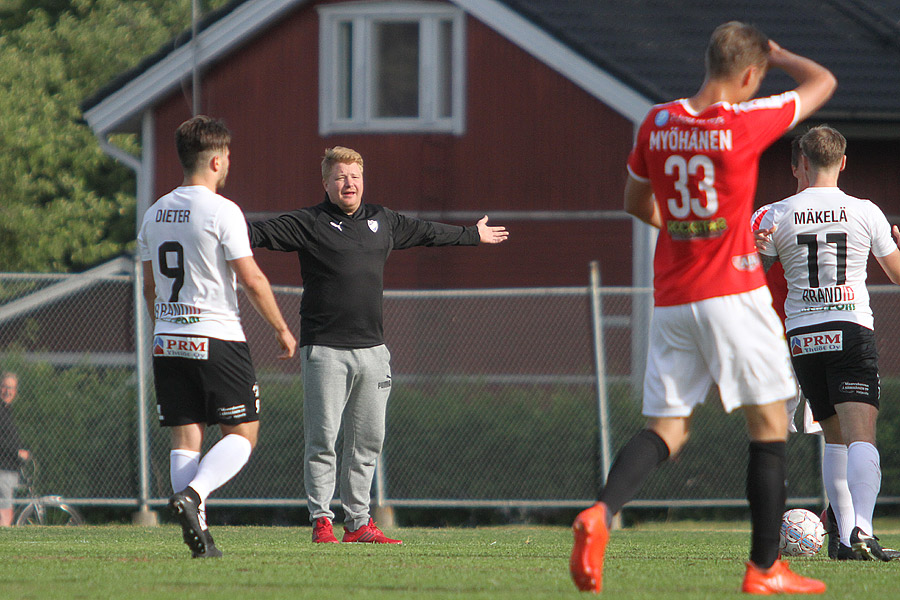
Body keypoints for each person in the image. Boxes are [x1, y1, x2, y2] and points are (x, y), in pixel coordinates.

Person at [569, 22, 836, 594]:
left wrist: (687, 228)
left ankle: (599, 512)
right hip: (734, 295)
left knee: (666, 428)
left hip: (672, 298)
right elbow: (823, 82)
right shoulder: (742, 122)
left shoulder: (657, 121)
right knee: (768, 426)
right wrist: (782, 55)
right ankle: (765, 569)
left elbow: (633, 200)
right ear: (748, 75)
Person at [248, 146, 509, 544]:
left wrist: (473, 235)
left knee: (368, 441)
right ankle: (322, 520)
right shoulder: (309, 222)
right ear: (326, 183)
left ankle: (357, 522)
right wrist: (215, 225)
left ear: (362, 181)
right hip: (326, 351)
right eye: (339, 177)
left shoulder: (381, 220)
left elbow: (426, 231)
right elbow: (259, 232)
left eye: (354, 176)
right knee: (323, 439)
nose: (348, 183)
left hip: (373, 351)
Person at [138, 115, 297, 558]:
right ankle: (193, 497)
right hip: (217, 337)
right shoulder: (223, 210)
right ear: (213, 160)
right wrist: (282, 328)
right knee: (243, 434)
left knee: (185, 437)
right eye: (226, 156)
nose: (229, 163)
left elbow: (150, 287)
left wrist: (163, 327)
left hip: (168, 337)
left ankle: (200, 538)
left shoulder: (154, 213)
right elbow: (251, 278)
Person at [754, 125, 900, 562]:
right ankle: (864, 532)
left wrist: (755, 249)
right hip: (850, 328)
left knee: (833, 438)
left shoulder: (773, 215)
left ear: (799, 162)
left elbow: (746, 275)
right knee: (862, 438)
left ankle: (841, 541)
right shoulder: (864, 211)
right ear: (843, 162)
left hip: (802, 335)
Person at [0, 372, 30, 527]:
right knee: (5, 513)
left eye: (11, 388)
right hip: (3, 469)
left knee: (6, 511)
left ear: (16, 391)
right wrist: (16, 452)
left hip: (10, 469)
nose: (7, 391)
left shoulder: (7, 410)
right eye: (5, 386)